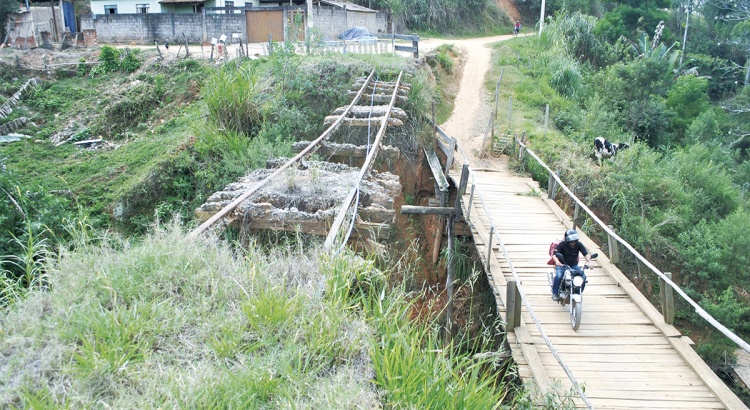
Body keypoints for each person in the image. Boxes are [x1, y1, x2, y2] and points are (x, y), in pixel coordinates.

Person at [550, 229, 591, 301]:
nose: (573, 243)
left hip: (573, 265)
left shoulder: (579, 245)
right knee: (559, 276)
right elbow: (554, 255)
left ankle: (578, 293)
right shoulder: (562, 244)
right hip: (562, 265)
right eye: (571, 242)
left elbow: (586, 254)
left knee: (583, 277)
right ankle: (555, 293)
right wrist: (557, 261)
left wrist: (590, 262)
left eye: (574, 241)